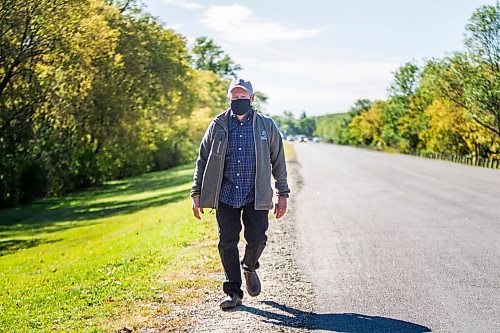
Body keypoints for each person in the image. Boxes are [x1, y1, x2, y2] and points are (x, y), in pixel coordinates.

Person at [190, 78, 290, 310]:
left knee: (257, 239)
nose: (238, 101)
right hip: (225, 194)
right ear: (229, 100)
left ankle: (249, 266)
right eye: (234, 97)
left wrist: (282, 193)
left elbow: (278, 160)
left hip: (256, 194)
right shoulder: (218, 125)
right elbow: (202, 159)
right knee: (227, 241)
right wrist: (196, 192)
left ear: (252, 99)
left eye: (242, 97)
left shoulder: (266, 126)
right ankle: (233, 291)